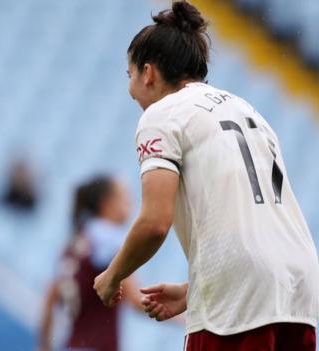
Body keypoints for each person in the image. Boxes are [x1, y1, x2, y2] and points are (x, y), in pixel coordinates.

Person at [93, 1, 319, 350]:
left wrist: (113, 276)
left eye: (130, 76)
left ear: (148, 73)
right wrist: (191, 290)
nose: (131, 89)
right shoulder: (249, 111)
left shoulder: (162, 114)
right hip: (298, 286)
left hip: (239, 296)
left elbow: (155, 222)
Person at [39, 176, 142, 351]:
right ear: (107, 204)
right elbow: (136, 299)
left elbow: (50, 299)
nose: (130, 203)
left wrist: (45, 347)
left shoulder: (75, 244)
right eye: (124, 196)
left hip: (73, 345)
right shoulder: (108, 240)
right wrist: (185, 314)